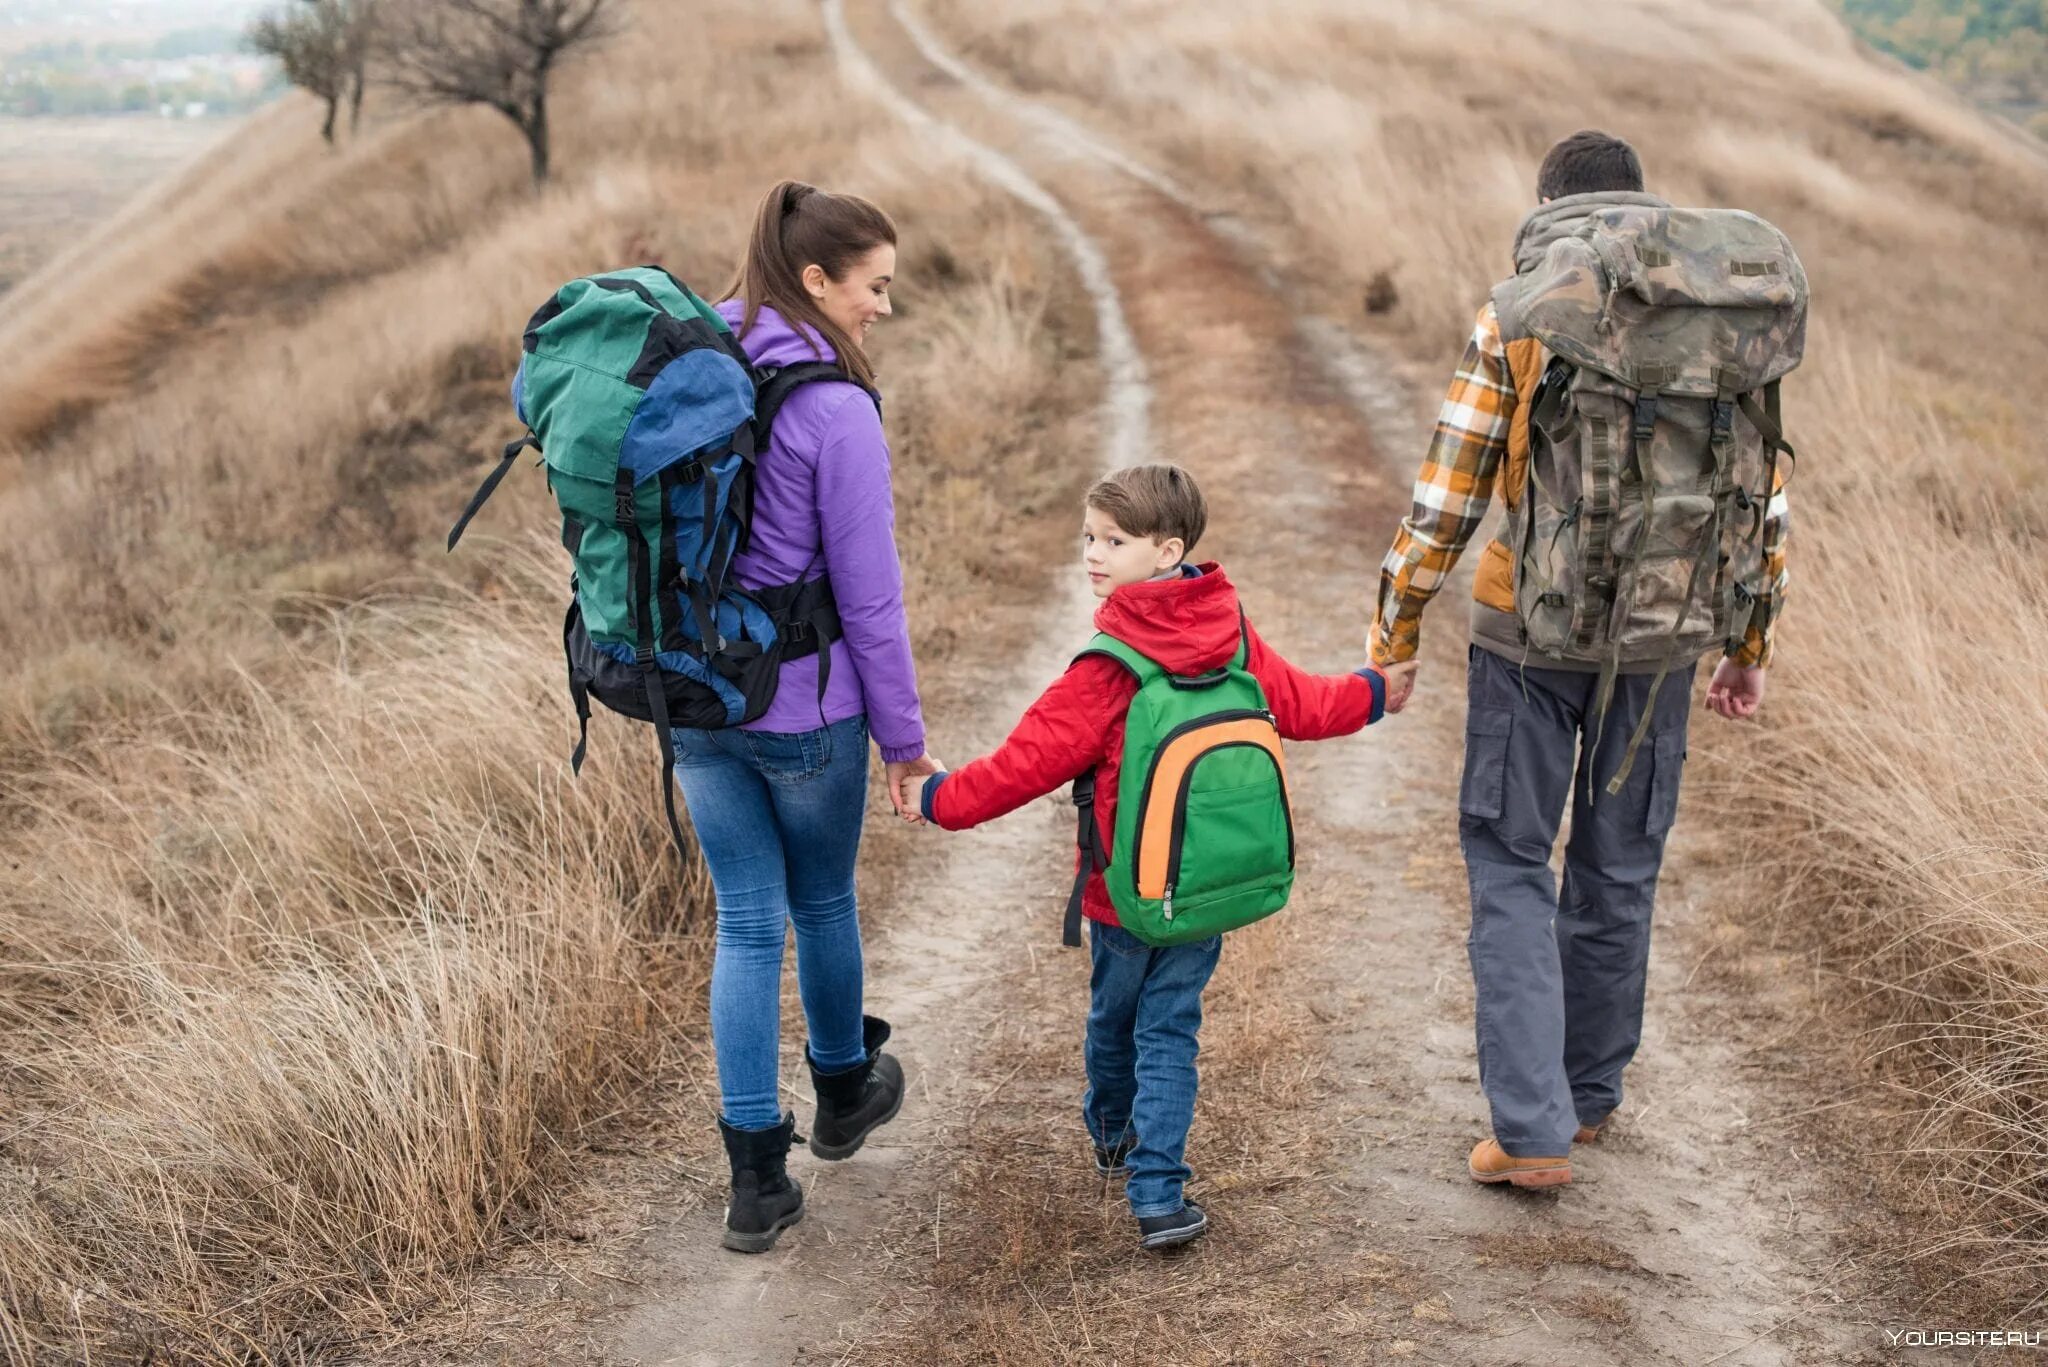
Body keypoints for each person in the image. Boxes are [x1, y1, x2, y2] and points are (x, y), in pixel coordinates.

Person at [1368, 131, 1795, 1187]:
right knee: (1618, 866)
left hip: (1527, 634)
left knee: (1510, 862)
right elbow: (1762, 490)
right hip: (1662, 637)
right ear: (1638, 201)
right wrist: (1746, 640)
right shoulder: (1717, 312)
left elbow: (1447, 491)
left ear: (1546, 201)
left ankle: (1527, 1129)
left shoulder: (1522, 309)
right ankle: (1587, 1096)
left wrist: (1395, 630)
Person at [910, 464, 1389, 1248]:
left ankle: (1113, 1139)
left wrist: (937, 798)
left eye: (1115, 540)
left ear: (1168, 551)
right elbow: (1301, 703)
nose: (1093, 554)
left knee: (1117, 1017)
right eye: (1090, 537)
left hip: (1123, 893)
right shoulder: (1228, 635)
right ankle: (1158, 1194)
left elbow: (1019, 766)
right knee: (1171, 1028)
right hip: (1206, 886)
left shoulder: (1108, 669)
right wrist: (1372, 691)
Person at [684, 180, 942, 1252]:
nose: (884, 305)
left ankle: (755, 1179)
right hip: (804, 709)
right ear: (816, 280)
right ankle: (842, 1094)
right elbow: (870, 599)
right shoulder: (832, 408)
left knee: (745, 920)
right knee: (821, 899)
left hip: (695, 697)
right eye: (873, 286)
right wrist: (905, 741)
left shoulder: (698, 357)